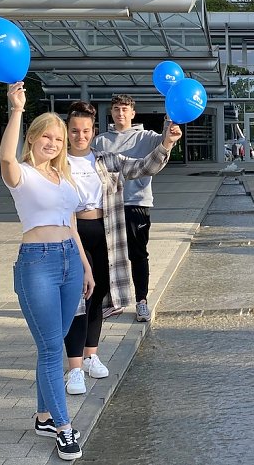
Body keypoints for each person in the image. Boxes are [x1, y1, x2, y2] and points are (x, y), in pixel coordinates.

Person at [0, 82, 94, 461]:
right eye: (47, 137)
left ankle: (42, 416)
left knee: (53, 345)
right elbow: (6, 157)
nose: (54, 143)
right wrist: (16, 110)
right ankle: (63, 428)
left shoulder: (63, 177)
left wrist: (86, 267)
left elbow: (70, 223)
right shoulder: (21, 174)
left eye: (59, 139)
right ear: (34, 139)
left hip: (71, 261)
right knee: (52, 348)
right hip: (37, 262)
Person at [62, 100, 180, 395]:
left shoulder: (104, 159)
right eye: (75, 130)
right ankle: (74, 369)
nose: (80, 135)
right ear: (68, 130)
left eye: (85, 130)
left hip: (104, 231)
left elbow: (143, 167)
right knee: (79, 297)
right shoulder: (58, 163)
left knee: (98, 295)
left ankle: (91, 355)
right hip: (73, 233)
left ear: (93, 131)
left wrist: (166, 142)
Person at [93, 94, 182, 322]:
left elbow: (166, 140)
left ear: (133, 113)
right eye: (116, 109)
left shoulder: (146, 137)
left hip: (137, 204)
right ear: (111, 113)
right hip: (110, 206)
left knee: (138, 254)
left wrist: (170, 121)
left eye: (124, 109)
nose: (120, 113)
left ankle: (141, 301)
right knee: (107, 256)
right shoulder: (101, 141)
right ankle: (112, 302)